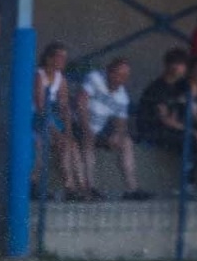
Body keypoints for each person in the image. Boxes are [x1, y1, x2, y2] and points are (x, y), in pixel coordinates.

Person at [79, 57, 149, 200]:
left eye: (125, 77)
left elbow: (121, 123)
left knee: (126, 142)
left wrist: (117, 134)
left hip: (100, 128)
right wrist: (86, 127)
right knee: (89, 138)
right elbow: (81, 103)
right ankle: (89, 188)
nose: (122, 80)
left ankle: (132, 189)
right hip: (80, 124)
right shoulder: (95, 78)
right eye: (119, 75)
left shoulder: (122, 95)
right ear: (109, 72)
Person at [34, 42, 79, 199]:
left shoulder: (61, 78)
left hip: (53, 117)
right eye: (59, 57)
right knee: (57, 143)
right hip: (37, 118)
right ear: (49, 58)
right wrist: (55, 133)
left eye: (64, 58)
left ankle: (76, 186)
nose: (62, 61)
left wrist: (67, 131)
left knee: (71, 145)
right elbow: (40, 107)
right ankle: (69, 187)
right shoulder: (39, 75)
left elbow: (64, 107)